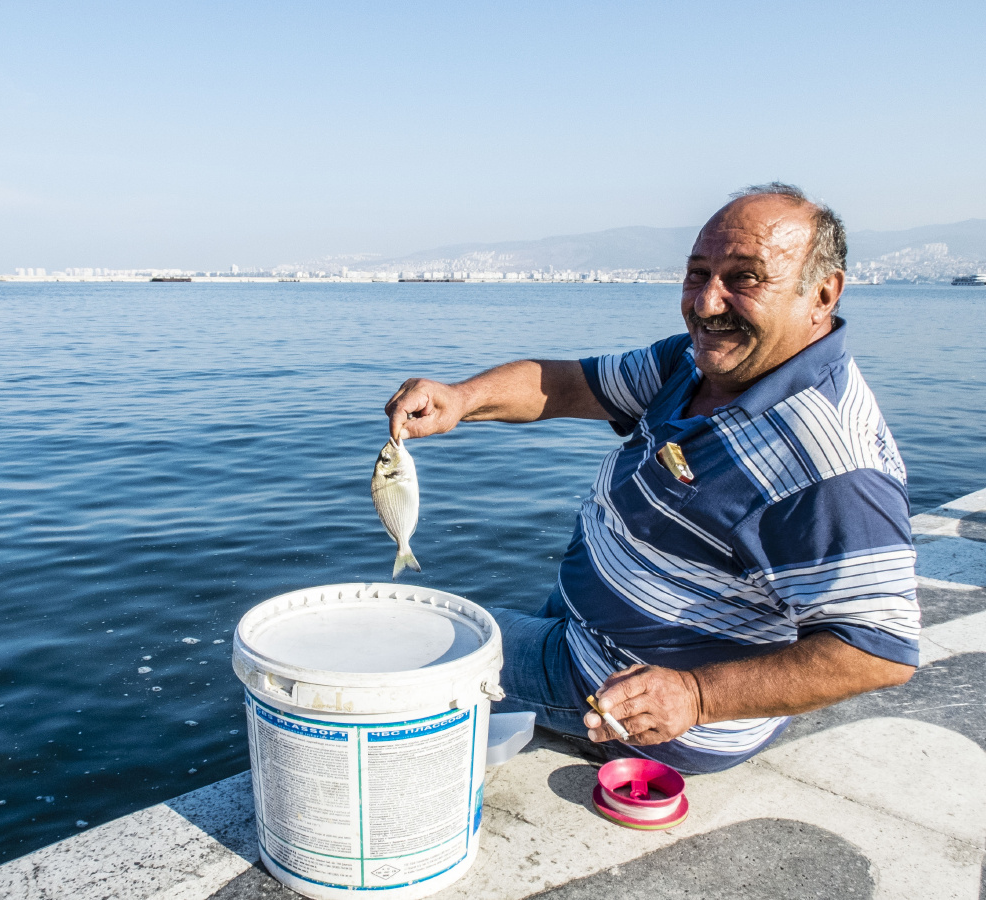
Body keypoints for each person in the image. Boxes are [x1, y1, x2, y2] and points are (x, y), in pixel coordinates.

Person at [384, 184, 918, 774]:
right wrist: (462, 398)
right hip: (590, 619)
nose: (707, 304)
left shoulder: (829, 463)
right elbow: (569, 384)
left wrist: (694, 696)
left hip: (626, 688)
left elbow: (878, 651)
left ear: (822, 293)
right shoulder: (696, 363)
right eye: (697, 274)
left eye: (745, 278)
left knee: (413, 644)